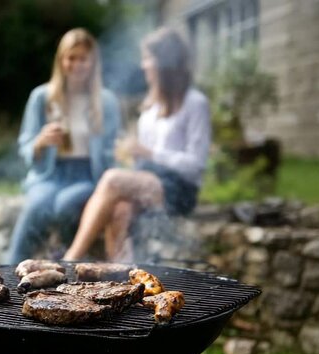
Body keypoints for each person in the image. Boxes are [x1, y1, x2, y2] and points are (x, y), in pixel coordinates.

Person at [63, 27, 211, 262]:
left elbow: (196, 164)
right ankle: (122, 280)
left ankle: (70, 258)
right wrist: (133, 156)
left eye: (148, 58)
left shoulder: (195, 103)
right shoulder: (150, 107)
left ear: (165, 62)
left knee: (112, 178)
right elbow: (143, 163)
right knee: (119, 210)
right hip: (148, 180)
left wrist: (150, 153)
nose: (143, 65)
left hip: (178, 188)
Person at [7, 28, 121, 264]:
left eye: (83, 58)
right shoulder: (42, 97)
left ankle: (68, 270)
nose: (77, 64)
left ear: (92, 62)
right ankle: (12, 267)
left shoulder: (106, 101)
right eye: (71, 57)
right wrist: (40, 141)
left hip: (87, 173)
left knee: (66, 206)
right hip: (50, 173)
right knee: (37, 206)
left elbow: (114, 147)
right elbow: (25, 144)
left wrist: (118, 155)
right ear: (61, 60)